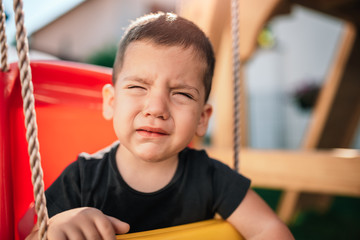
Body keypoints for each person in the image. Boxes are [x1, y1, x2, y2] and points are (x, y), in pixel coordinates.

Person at [27, 12, 294, 240]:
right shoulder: (81, 179)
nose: (156, 108)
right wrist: (54, 228)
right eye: (137, 87)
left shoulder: (210, 177)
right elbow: (26, 231)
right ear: (110, 102)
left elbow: (269, 230)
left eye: (181, 94)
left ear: (202, 117)